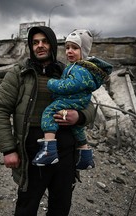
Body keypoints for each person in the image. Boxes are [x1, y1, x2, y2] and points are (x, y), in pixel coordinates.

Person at [0, 26, 96, 216]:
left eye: (44, 41)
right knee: (27, 206)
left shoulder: (68, 72)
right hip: (32, 151)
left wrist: (79, 116)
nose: (40, 46)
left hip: (65, 150)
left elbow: (89, 105)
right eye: (35, 42)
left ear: (53, 45)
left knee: (61, 205)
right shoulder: (19, 73)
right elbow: (0, 109)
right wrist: (8, 149)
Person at [32, 29, 113, 170]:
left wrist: (52, 83)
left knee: (49, 112)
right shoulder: (78, 67)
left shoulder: (79, 69)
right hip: (78, 100)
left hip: (72, 99)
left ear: (84, 51)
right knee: (77, 128)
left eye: (75, 48)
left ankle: (48, 149)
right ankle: (85, 157)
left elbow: (71, 85)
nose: (69, 51)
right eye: (67, 47)